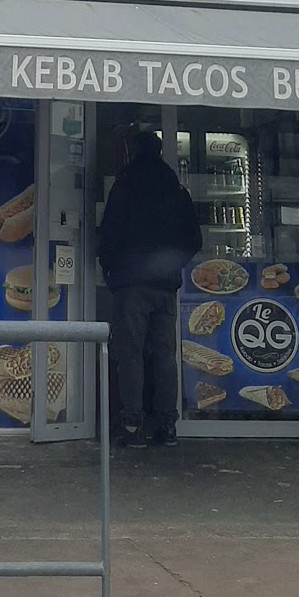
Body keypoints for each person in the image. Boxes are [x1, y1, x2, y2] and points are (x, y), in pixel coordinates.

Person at [97, 129, 201, 447]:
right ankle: (167, 425)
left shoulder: (125, 186)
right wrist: (173, 264)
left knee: (130, 354)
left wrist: (110, 268)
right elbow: (194, 240)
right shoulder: (176, 190)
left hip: (131, 283)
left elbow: (109, 233)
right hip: (165, 284)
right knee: (165, 355)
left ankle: (132, 425)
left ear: (134, 152)